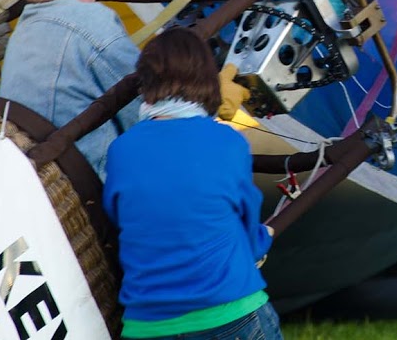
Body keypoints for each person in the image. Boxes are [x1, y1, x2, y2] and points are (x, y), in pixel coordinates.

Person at [103, 28, 280, 340]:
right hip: (229, 314)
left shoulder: (121, 149)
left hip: (148, 326)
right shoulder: (228, 141)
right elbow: (247, 223)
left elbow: (124, 218)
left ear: (145, 84)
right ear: (208, 79)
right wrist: (263, 239)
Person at [0, 0, 140, 180]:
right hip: (89, 189)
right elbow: (151, 107)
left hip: (40, 179)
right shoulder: (91, 22)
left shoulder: (26, 26)